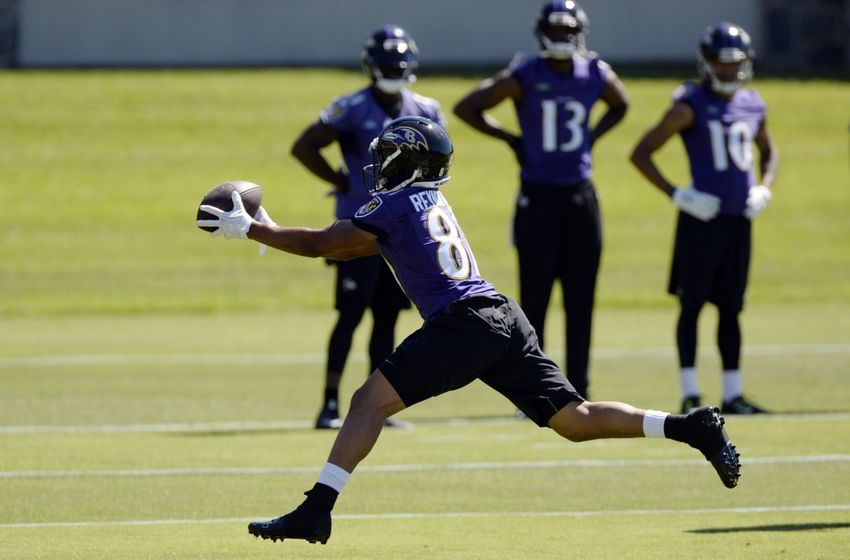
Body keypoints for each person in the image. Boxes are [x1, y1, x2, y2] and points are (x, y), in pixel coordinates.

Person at [197, 116, 741, 546]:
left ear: (405, 160)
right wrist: (270, 231)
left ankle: (316, 510)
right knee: (573, 421)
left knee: (367, 401)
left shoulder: (394, 202)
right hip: (502, 314)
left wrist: (250, 228)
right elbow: (342, 247)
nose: (378, 164)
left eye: (387, 156)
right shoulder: (427, 202)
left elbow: (323, 243)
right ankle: (688, 427)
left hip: (463, 323)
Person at [452, 0, 629, 399]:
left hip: (580, 195)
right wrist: (511, 139)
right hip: (538, 195)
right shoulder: (526, 73)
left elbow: (622, 104)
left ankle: (579, 389)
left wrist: (593, 137)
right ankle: (538, 392)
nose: (563, 38)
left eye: (569, 31)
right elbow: (468, 106)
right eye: (557, 30)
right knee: (535, 296)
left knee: (581, 296)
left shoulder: (595, 71)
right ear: (542, 33)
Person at [290, 24, 446, 429]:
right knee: (351, 314)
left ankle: (376, 404)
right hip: (358, 228)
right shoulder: (353, 107)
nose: (393, 67)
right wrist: (339, 181)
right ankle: (329, 403)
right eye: (387, 61)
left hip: (404, 233)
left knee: (387, 317)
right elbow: (304, 145)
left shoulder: (426, 108)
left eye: (398, 61)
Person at [630, 22, 778, 414]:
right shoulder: (688, 104)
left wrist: (764, 186)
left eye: (736, 63)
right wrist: (678, 194)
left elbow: (769, 151)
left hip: (738, 219)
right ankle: (691, 393)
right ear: (707, 63)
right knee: (692, 305)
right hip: (701, 220)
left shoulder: (753, 104)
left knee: (731, 307)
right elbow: (641, 153)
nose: (729, 70)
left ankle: (732, 393)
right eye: (722, 63)